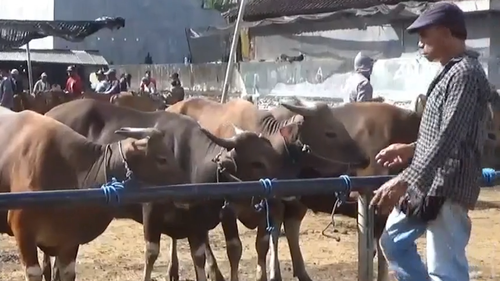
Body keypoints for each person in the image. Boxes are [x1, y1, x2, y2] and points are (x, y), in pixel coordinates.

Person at [370, 3, 492, 281]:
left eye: (425, 33)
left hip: (449, 184)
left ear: (447, 33)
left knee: (445, 270)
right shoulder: (451, 71)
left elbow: (450, 136)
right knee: (393, 241)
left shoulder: (466, 74)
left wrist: (404, 179)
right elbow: (444, 133)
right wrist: (412, 149)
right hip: (428, 183)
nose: (420, 41)